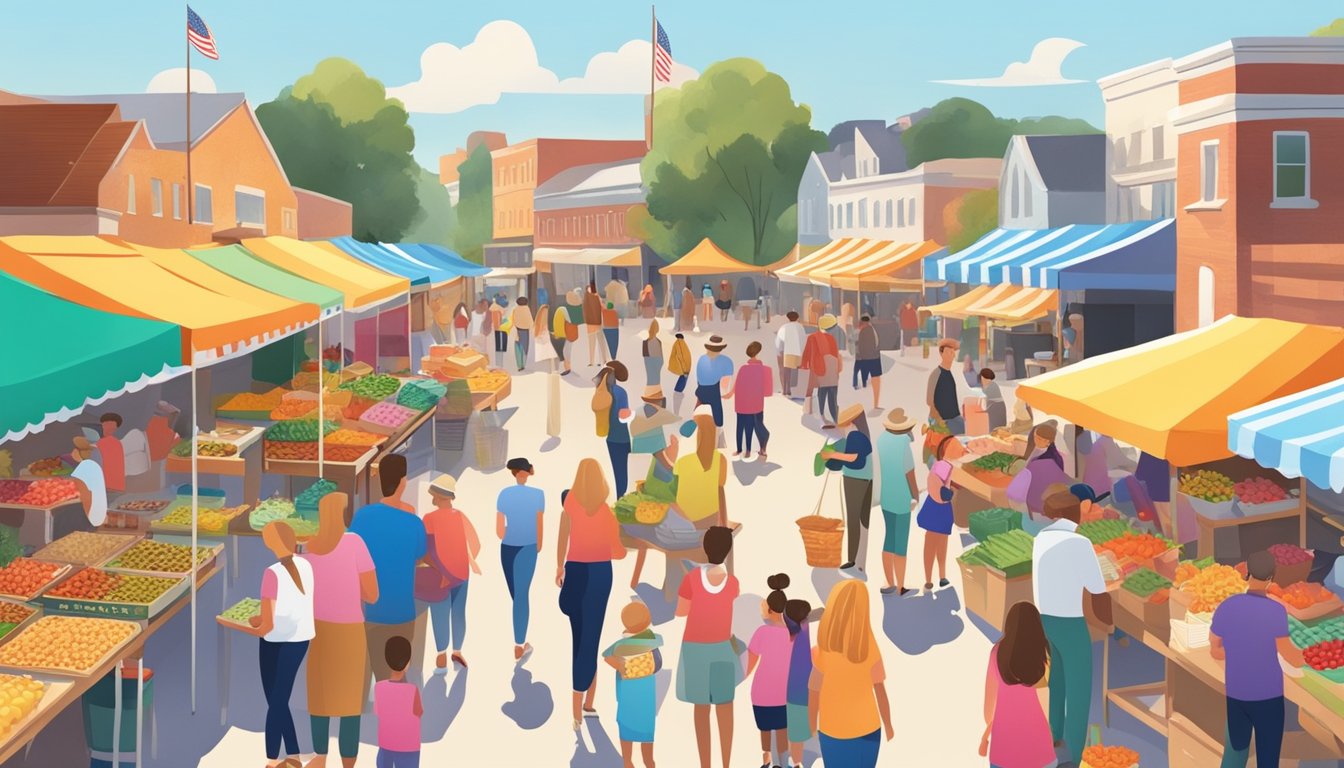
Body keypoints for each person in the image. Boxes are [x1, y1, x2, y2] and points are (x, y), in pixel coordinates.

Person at [218, 522, 313, 768]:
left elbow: (265, 628)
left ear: (269, 543)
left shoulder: (272, 573)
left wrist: (230, 623)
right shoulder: (306, 565)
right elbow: (289, 608)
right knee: (279, 700)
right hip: (300, 639)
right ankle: (293, 755)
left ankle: (272, 760)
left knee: (276, 701)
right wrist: (259, 618)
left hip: (275, 642)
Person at [1031, 486, 1113, 766]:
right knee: (1079, 689)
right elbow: (1097, 589)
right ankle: (1075, 753)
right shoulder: (1079, 543)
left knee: (1058, 679)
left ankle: (1053, 735)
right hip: (1070, 622)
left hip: (1045, 620)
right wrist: (1110, 623)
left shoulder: (1041, 537)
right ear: (1075, 513)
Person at [303, 492, 377, 768]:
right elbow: (372, 594)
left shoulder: (308, 548)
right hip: (350, 632)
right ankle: (348, 763)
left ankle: (320, 758)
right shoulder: (355, 542)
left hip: (319, 631)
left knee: (320, 697)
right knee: (349, 702)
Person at [1211, 549, 1304, 768]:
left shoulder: (1227, 606)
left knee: (1235, 753)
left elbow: (1215, 649)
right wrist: (1312, 655)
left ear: (1247, 573)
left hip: (1237, 693)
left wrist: (1238, 651)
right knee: (1268, 757)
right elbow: (1291, 656)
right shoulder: (1276, 611)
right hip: (1268, 697)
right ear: (1272, 577)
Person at [556, 459, 626, 730]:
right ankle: (583, 707)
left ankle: (581, 708)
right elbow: (618, 552)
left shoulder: (570, 505)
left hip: (574, 573)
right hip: (599, 576)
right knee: (591, 640)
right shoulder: (607, 513)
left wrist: (559, 565)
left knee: (581, 640)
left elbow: (563, 536)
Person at [349, 454, 428, 685]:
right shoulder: (413, 522)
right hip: (403, 612)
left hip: (371, 612)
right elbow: (419, 557)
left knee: (380, 674)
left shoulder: (362, 517)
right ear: (403, 482)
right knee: (398, 674)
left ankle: (387, 713)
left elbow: (352, 554)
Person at [808, 580, 893, 768]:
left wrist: (812, 724)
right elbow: (879, 689)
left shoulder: (824, 649)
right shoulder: (869, 646)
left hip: (833, 730)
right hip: (868, 729)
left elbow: (814, 689)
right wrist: (887, 724)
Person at [676, 526, 741, 768]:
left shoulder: (691, 579)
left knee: (701, 709)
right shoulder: (733, 583)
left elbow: (681, 611)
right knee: (725, 708)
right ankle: (726, 763)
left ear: (704, 548)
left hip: (695, 649)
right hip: (723, 648)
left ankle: (706, 764)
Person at [980, 602, 1055, 768]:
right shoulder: (1043, 655)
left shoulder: (996, 653)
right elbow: (1047, 701)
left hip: (1003, 751)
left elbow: (988, 711)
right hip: (1039, 751)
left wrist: (989, 730)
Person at [418, 475, 480, 672]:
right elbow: (476, 544)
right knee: (459, 612)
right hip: (462, 572)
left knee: (440, 613)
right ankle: (458, 651)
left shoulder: (429, 518)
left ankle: (441, 657)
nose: (432, 499)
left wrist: (440, 567)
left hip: (441, 574)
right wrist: (466, 559)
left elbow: (427, 549)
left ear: (439, 496)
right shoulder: (460, 516)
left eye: (434, 495)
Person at [602, 602, 664, 768]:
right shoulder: (651, 640)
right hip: (646, 697)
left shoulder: (620, 646)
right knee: (646, 734)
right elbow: (658, 663)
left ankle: (627, 761)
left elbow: (606, 657)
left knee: (626, 731)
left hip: (627, 696)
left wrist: (623, 667)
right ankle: (649, 762)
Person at [497, 457, 544, 661]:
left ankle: (520, 641)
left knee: (517, 595)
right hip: (528, 547)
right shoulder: (537, 495)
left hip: (507, 547)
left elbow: (499, 531)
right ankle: (519, 644)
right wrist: (538, 545)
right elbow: (539, 523)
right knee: (521, 595)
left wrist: (511, 532)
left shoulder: (504, 494)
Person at [745, 574, 794, 768]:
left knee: (764, 729)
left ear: (769, 608)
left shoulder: (761, 632)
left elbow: (750, 664)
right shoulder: (794, 633)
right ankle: (781, 762)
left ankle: (766, 760)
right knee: (782, 729)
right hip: (785, 692)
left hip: (762, 692)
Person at [821, 404, 874, 573]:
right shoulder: (864, 436)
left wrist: (831, 455)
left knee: (853, 519)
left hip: (854, 480)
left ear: (850, 423)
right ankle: (861, 561)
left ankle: (852, 559)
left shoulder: (854, 436)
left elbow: (853, 458)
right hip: (866, 479)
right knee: (863, 520)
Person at [658, 409, 729, 530]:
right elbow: (720, 493)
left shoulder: (683, 462)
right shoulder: (721, 459)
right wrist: (723, 522)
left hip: (684, 523)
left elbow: (670, 494)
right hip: (711, 519)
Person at [876, 409, 920, 596]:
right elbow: (909, 473)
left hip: (887, 496)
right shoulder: (904, 444)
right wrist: (916, 495)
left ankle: (889, 581)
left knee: (889, 538)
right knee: (901, 543)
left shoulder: (881, 440)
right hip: (902, 498)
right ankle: (901, 586)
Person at [916, 434, 957, 592]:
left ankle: (939, 577)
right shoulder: (943, 466)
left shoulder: (944, 464)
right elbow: (937, 489)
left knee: (938, 543)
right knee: (935, 544)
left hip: (939, 507)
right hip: (938, 508)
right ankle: (933, 578)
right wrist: (949, 493)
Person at [374, 636, 423, 768]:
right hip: (408, 747)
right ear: (407, 663)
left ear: (386, 659)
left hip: (386, 745)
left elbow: (378, 712)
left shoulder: (378, 687)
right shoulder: (413, 690)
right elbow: (419, 712)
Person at [726, 341, 773, 461]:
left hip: (741, 404)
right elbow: (767, 391)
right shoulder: (763, 369)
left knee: (740, 426)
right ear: (758, 353)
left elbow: (736, 386)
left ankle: (740, 449)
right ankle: (748, 450)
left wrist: (729, 394)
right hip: (755, 405)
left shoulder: (743, 368)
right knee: (750, 427)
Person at [595, 361, 634, 498]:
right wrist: (633, 414)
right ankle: (622, 498)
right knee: (624, 472)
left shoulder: (601, 391)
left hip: (610, 437)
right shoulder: (621, 392)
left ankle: (620, 497)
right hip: (622, 437)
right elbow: (623, 416)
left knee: (617, 471)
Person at [783, 598, 814, 768]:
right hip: (804, 687)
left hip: (793, 689)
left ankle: (795, 762)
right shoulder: (804, 627)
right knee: (797, 733)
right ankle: (796, 762)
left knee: (793, 733)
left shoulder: (789, 633)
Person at [803, 315, 842, 428]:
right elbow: (836, 355)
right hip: (832, 370)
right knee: (832, 395)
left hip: (821, 369)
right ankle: (834, 418)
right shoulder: (832, 339)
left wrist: (803, 365)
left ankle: (822, 417)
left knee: (822, 393)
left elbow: (807, 354)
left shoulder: (812, 337)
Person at [693, 336, 734, 428]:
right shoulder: (727, 361)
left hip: (701, 391)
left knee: (698, 418)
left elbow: (699, 379)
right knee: (717, 421)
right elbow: (725, 387)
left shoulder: (701, 359)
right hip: (715, 393)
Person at [927, 338, 964, 434]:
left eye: (952, 352)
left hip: (954, 418)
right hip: (941, 419)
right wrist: (939, 419)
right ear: (941, 354)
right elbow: (929, 401)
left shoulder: (949, 373)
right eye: (948, 352)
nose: (951, 355)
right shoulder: (936, 374)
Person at [853, 315, 883, 411]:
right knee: (875, 381)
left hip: (866, 359)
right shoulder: (873, 330)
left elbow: (861, 347)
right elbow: (877, 344)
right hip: (875, 358)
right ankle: (875, 403)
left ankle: (869, 405)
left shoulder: (863, 332)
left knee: (865, 381)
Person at [775, 311, 806, 399]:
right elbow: (803, 340)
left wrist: (779, 351)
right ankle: (795, 390)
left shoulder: (784, 327)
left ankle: (785, 390)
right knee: (794, 370)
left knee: (783, 370)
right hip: (798, 352)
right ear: (797, 318)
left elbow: (779, 342)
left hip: (787, 352)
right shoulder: (801, 327)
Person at [95, 412, 126, 492]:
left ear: (115, 428)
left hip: (107, 486)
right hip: (116, 486)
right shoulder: (117, 443)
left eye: (110, 426)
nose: (107, 428)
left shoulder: (102, 443)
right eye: (105, 425)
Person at [584, 283, 605, 366]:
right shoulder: (593, 297)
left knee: (600, 342)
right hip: (593, 324)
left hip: (596, 323)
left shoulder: (591, 297)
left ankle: (603, 359)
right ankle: (593, 361)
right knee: (594, 343)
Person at [511, 296, 533, 372]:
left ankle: (519, 365)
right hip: (525, 331)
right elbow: (530, 321)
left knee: (518, 348)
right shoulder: (527, 309)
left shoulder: (515, 309)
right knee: (524, 348)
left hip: (517, 330)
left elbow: (513, 320)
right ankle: (523, 364)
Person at [534, 303, 558, 371]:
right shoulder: (539, 323)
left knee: (550, 364)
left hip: (546, 343)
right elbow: (538, 333)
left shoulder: (548, 321)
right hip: (542, 343)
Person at [640, 320, 663, 390]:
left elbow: (645, 357)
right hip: (657, 361)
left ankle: (649, 394)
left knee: (650, 380)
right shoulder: (659, 342)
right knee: (656, 381)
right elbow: (661, 359)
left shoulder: (645, 343)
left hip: (650, 361)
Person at [490, 297, 508, 368]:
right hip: (497, 333)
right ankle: (499, 367)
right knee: (499, 352)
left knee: (496, 351)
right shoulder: (496, 310)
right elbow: (497, 325)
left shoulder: (493, 308)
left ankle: (498, 366)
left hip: (494, 332)